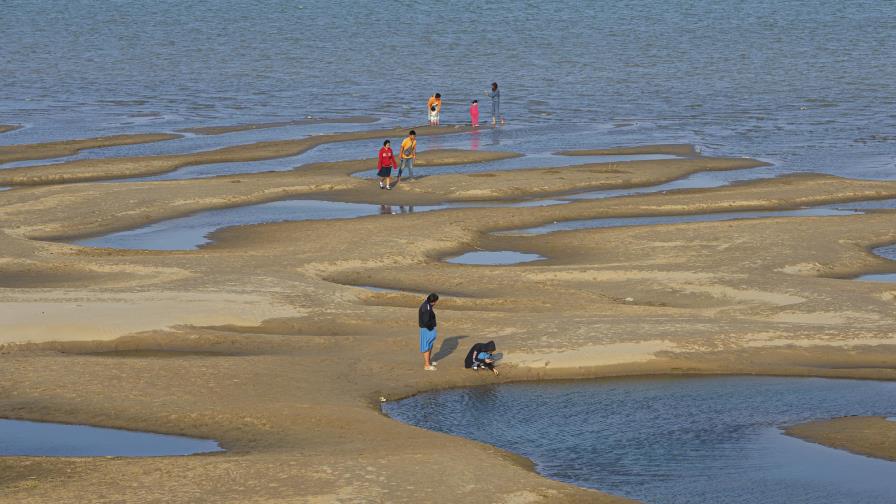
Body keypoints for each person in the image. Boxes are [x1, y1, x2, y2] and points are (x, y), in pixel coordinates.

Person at [418, 293, 439, 371]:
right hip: (426, 329)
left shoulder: (427, 304)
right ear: (433, 301)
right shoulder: (426, 307)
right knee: (426, 346)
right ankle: (427, 365)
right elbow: (426, 321)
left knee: (430, 345)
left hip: (428, 328)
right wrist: (431, 328)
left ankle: (428, 362)